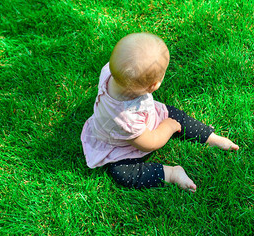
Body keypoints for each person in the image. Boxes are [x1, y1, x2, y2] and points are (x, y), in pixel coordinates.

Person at [81, 33, 239, 192]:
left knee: (173, 114)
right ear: (153, 86)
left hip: (146, 117)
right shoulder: (125, 118)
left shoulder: (109, 70)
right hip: (125, 142)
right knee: (123, 173)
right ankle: (171, 173)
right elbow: (148, 143)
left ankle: (211, 138)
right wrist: (168, 127)